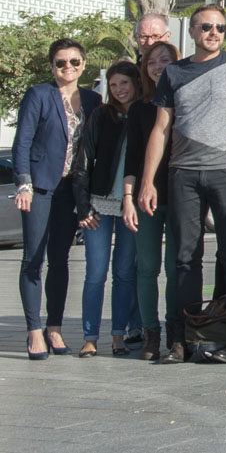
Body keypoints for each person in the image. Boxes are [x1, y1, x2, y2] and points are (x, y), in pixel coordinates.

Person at [138, 5, 226, 364]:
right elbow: (161, 128)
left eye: (221, 28)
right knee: (184, 259)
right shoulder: (174, 72)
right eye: (207, 27)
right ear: (192, 32)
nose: (214, 33)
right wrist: (148, 181)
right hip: (183, 174)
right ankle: (182, 339)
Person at [15, 38, 102, 359]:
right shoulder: (39, 94)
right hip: (39, 187)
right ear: (52, 66)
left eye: (74, 62)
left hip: (71, 190)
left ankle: (54, 327)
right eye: (61, 62)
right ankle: (33, 331)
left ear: (83, 65)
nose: (68, 67)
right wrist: (23, 184)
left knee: (60, 260)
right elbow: (22, 142)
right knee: (33, 259)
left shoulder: (93, 100)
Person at [71, 61, 143, 357]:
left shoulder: (144, 113)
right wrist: (83, 208)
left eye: (124, 83)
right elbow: (83, 161)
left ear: (136, 83)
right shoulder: (101, 115)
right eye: (113, 85)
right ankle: (90, 337)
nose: (119, 90)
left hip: (131, 207)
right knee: (95, 273)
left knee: (124, 273)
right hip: (98, 204)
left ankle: (118, 335)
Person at [123, 40, 181, 361]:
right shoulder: (139, 109)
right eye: (152, 62)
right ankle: (150, 334)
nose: (158, 67)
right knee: (147, 267)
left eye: (165, 60)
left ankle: (175, 332)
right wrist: (129, 198)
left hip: (181, 195)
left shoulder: (185, 101)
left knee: (175, 268)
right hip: (147, 197)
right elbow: (132, 158)